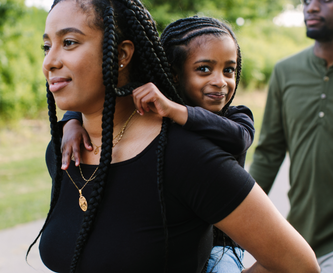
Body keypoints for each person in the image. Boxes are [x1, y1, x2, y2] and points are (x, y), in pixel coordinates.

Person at [27, 0, 320, 272]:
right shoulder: (63, 149)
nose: (49, 62)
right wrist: (71, 120)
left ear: (122, 54)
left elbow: (299, 265)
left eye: (69, 43)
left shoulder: (185, 156)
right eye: (46, 46)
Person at [59, 16, 254, 273]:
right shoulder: (155, 115)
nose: (220, 81)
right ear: (173, 74)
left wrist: (176, 110)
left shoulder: (236, 116)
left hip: (219, 248)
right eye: (204, 69)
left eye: (229, 70)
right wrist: (71, 121)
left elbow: (238, 138)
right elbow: (107, 100)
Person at [249, 0, 333, 271]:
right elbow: (269, 152)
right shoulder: (286, 71)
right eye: (307, 1)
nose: (311, 7)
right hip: (297, 235)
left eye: (325, 0)